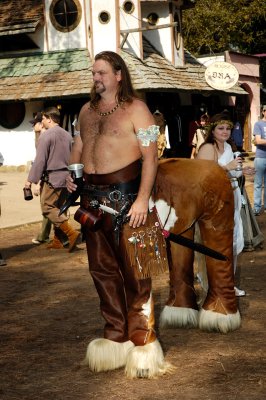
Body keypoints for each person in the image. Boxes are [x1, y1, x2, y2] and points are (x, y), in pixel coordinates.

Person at [66, 51, 170, 378]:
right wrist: (72, 173)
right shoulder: (84, 111)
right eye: (93, 73)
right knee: (102, 271)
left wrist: (142, 200)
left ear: (118, 74)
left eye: (101, 73)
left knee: (137, 271)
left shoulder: (138, 110)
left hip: (129, 197)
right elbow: (80, 145)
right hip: (91, 201)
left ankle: (142, 338)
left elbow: (151, 158)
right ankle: (114, 334)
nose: (96, 78)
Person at [197, 112, 255, 297]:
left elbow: (232, 173)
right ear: (212, 130)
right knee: (218, 242)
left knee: (234, 241)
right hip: (215, 201)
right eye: (221, 128)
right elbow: (201, 175)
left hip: (233, 197)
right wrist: (226, 167)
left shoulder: (230, 147)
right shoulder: (208, 148)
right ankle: (215, 284)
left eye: (228, 128)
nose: (225, 132)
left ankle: (228, 283)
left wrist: (243, 170)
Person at [25, 107, 80, 252]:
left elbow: (40, 161)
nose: (42, 122)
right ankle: (58, 241)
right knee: (59, 208)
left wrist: (30, 180)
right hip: (66, 177)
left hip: (53, 177)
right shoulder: (68, 135)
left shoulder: (47, 135)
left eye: (43, 119)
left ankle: (71, 233)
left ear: (49, 118)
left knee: (48, 207)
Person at [29, 112, 52, 245]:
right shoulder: (40, 136)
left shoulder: (43, 137)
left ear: (40, 124)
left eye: (34, 124)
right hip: (48, 175)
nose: (33, 127)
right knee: (49, 206)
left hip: (47, 176)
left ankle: (64, 235)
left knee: (47, 206)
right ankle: (46, 235)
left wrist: (38, 182)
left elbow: (42, 162)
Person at [253, 105, 266, 216]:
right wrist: (262, 140)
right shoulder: (258, 124)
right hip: (260, 157)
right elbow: (258, 141)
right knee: (258, 184)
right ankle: (257, 208)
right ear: (263, 112)